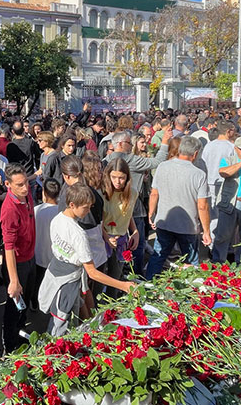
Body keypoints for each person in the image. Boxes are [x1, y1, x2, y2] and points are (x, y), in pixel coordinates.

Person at [38, 183, 134, 336]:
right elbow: (92, 273)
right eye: (86, 207)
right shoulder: (78, 234)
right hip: (67, 283)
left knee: (60, 316)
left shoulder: (57, 219)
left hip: (55, 274)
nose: (89, 211)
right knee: (62, 323)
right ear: (72, 204)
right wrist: (122, 285)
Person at [104, 128, 171, 277]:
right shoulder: (130, 160)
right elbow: (158, 161)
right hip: (129, 213)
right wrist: (165, 142)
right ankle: (136, 274)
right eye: (129, 143)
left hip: (118, 216)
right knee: (137, 246)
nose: (131, 145)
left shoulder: (105, 160)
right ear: (121, 144)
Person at [145, 137, 211, 279]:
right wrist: (206, 231)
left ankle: (148, 286)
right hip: (187, 226)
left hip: (164, 221)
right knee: (191, 261)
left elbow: (154, 193)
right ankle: (191, 290)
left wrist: (151, 213)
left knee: (158, 256)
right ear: (195, 154)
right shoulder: (199, 174)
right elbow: (202, 206)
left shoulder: (163, 166)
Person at [0, 163, 37, 353]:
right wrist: (14, 280)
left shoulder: (26, 195)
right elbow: (9, 248)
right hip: (18, 263)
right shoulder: (9, 210)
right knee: (14, 306)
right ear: (8, 184)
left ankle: (21, 334)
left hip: (30, 257)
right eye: (20, 185)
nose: (25, 188)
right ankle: (10, 344)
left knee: (25, 302)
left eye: (26, 183)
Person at [101, 157, 140, 293]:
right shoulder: (103, 193)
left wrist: (135, 231)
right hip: (103, 238)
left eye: (121, 178)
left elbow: (127, 215)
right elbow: (98, 220)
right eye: (114, 177)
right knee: (101, 279)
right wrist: (107, 238)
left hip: (121, 239)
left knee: (116, 277)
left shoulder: (132, 193)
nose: (117, 182)